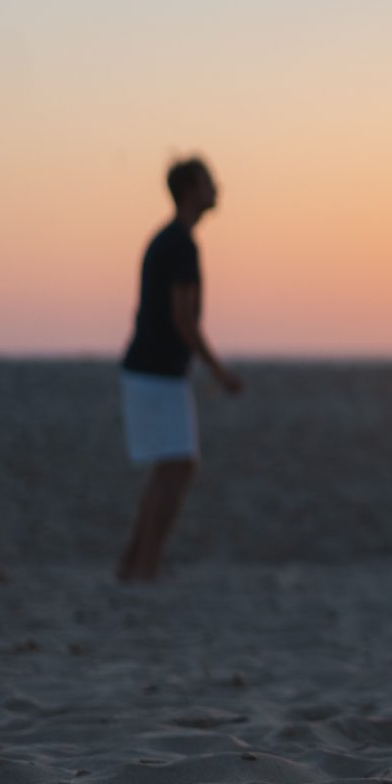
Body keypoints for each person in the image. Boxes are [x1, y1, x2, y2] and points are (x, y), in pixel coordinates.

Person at [115, 157, 243, 582]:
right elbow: (183, 318)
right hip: (156, 370)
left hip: (152, 369)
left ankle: (135, 563)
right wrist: (218, 371)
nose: (217, 189)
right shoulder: (179, 244)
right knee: (177, 466)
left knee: (170, 466)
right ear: (190, 189)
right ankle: (145, 565)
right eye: (209, 182)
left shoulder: (169, 240)